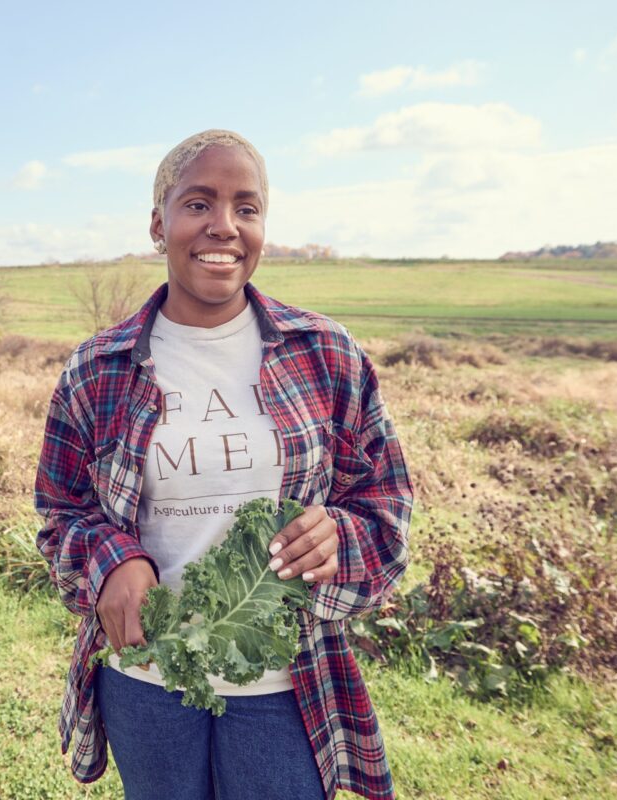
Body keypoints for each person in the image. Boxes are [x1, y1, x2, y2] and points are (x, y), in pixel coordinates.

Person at [33, 129, 414, 800]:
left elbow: (385, 503)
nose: (224, 226)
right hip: (147, 680)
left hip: (284, 682)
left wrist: (338, 536)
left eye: (247, 207)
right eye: (199, 204)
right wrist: (111, 561)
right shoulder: (97, 369)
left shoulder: (326, 354)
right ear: (159, 223)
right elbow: (60, 512)